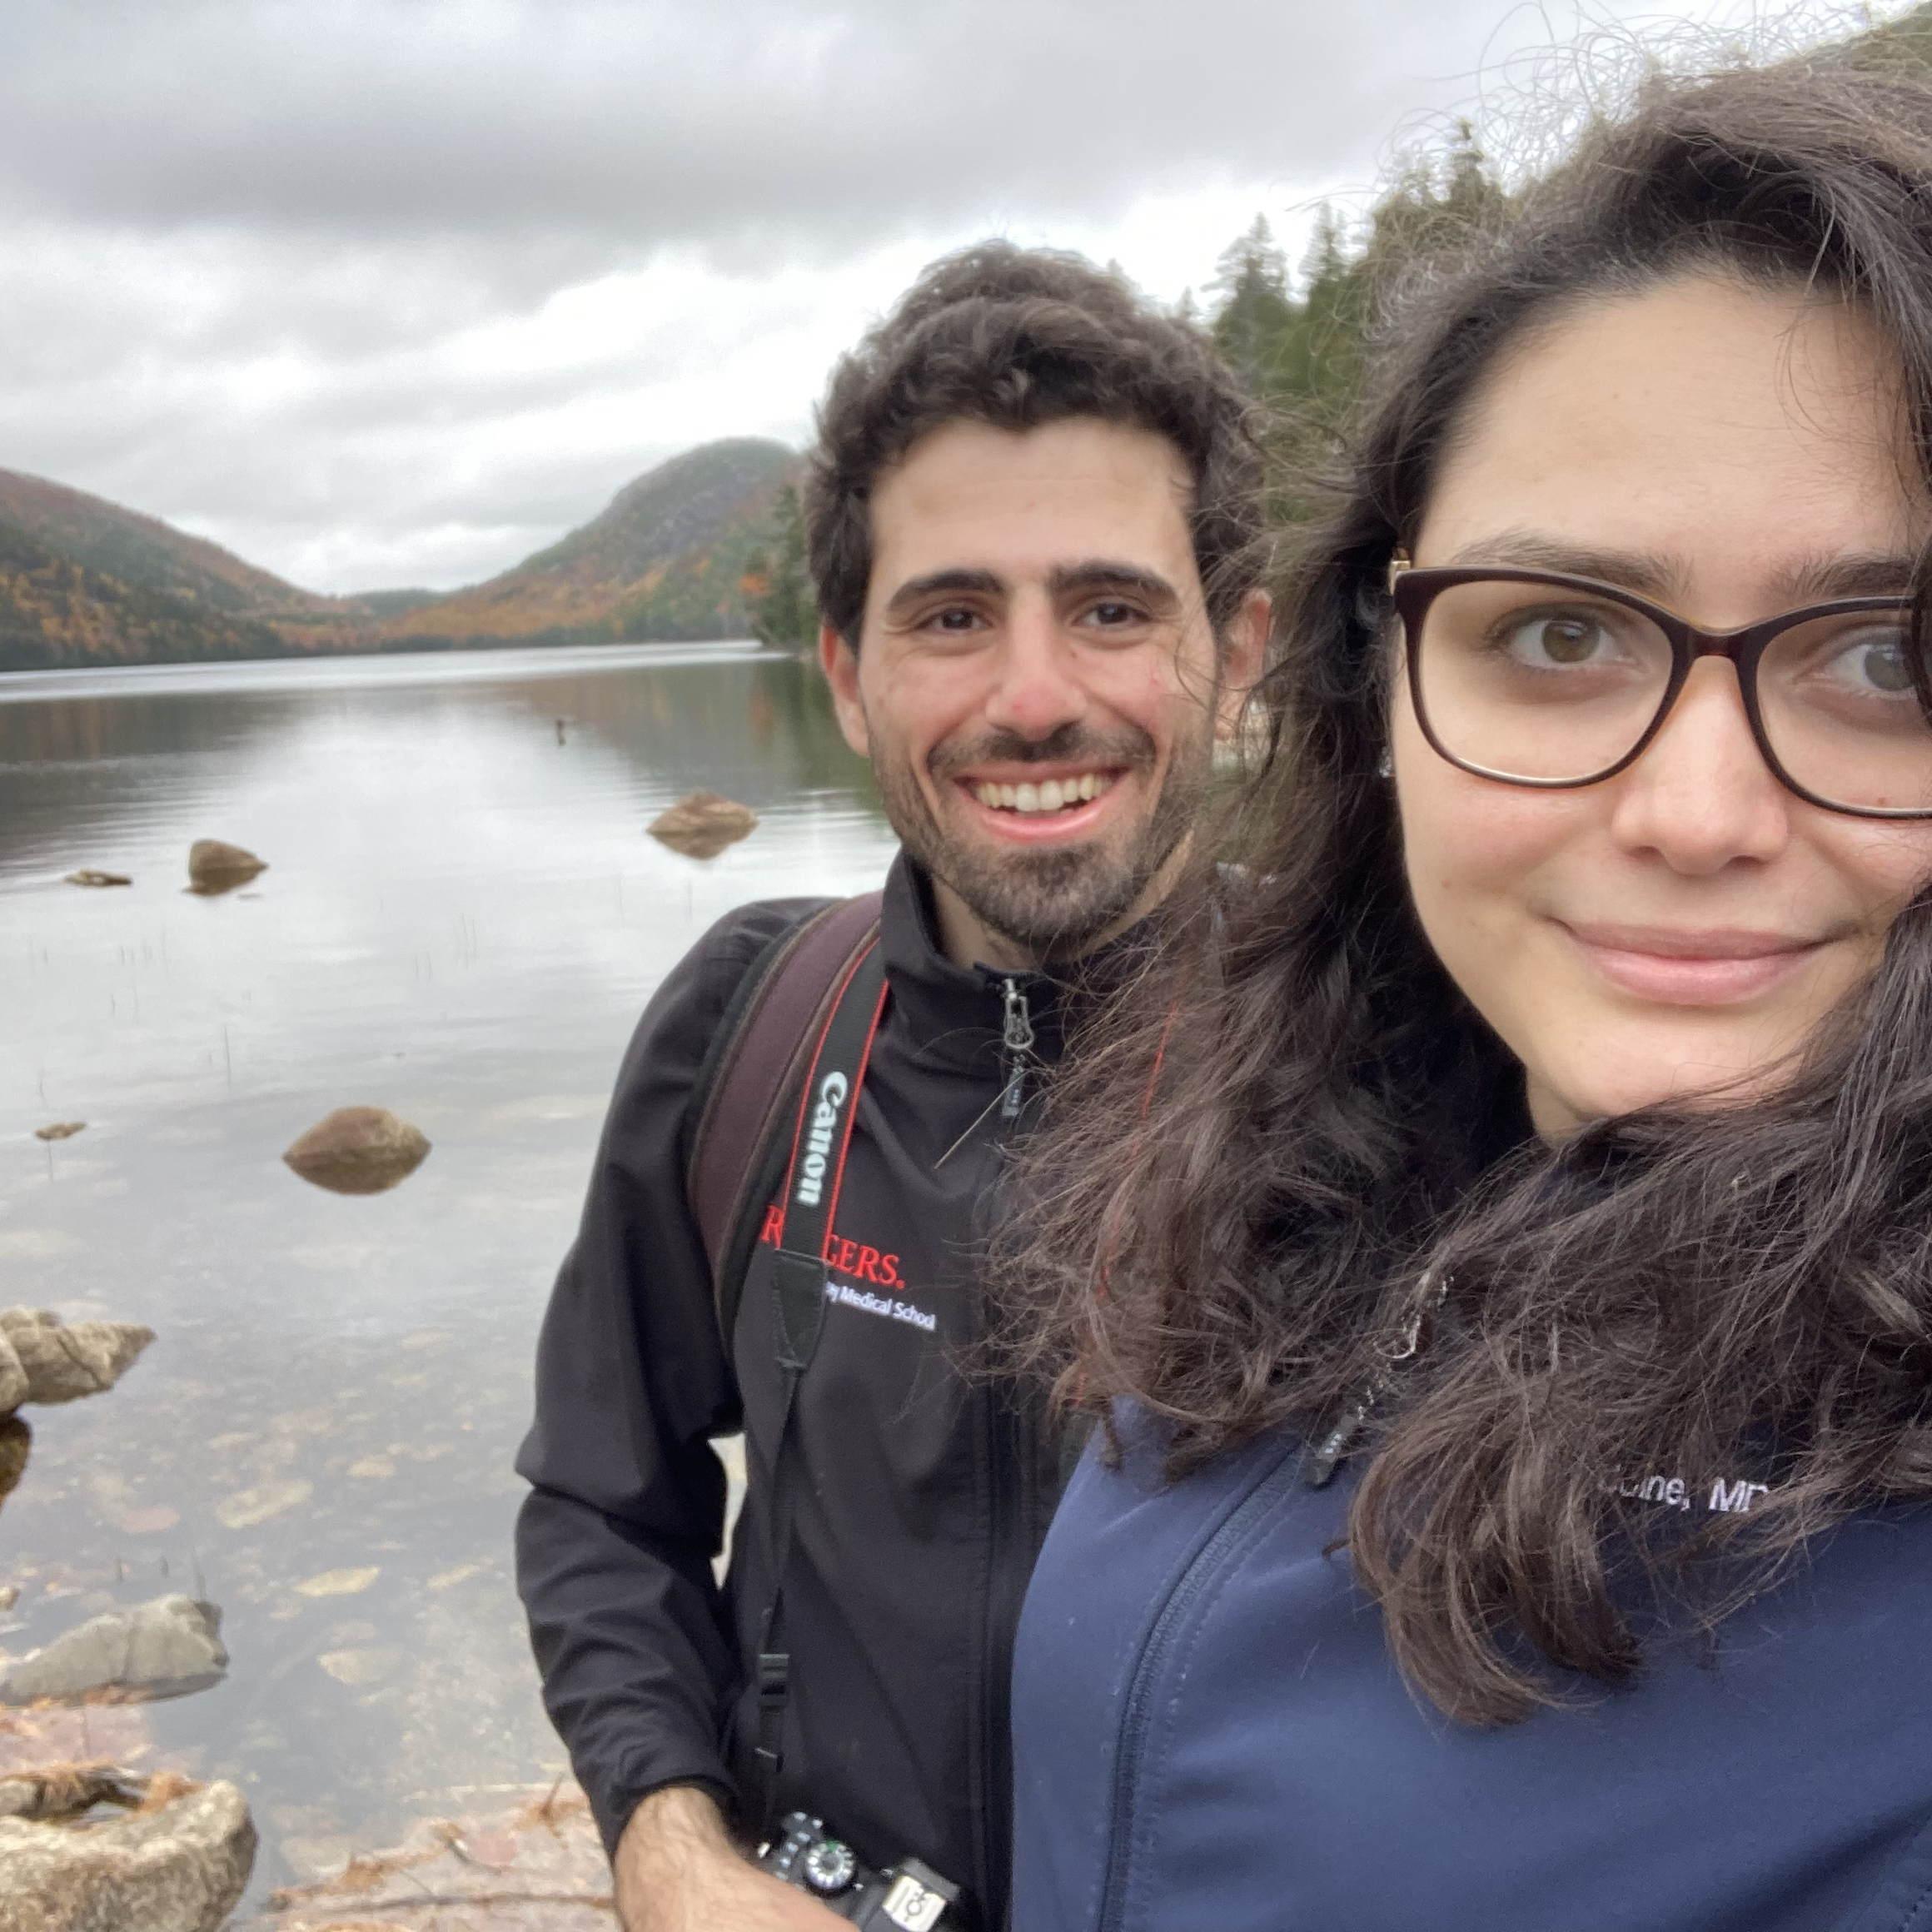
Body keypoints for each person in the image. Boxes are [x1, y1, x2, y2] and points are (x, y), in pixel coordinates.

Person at [1005, 52, 1932, 1932]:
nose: (1693, 810)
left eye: (1892, 656)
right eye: (1559, 635)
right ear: (1378, 689)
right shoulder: (1294, 1177)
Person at [514, 242, 1269, 1932]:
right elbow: (599, 1500)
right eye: (948, 615)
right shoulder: (747, 1027)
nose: (1029, 697)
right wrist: (667, 1838)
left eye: (1108, 607)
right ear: (844, 671)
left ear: (1235, 653)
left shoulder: (1388, 1064)